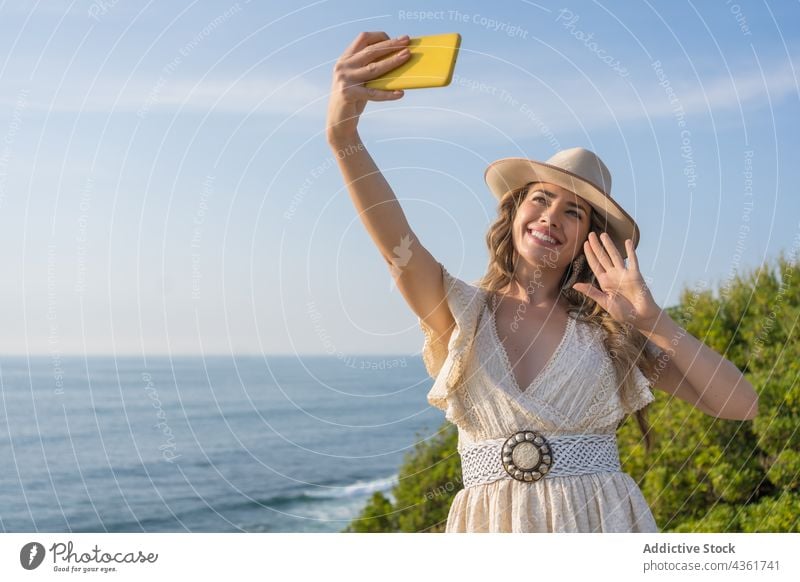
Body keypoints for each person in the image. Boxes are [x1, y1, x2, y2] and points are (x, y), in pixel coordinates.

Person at [325, 31, 759, 533]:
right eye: (540, 199)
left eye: (573, 211)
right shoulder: (458, 313)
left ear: (586, 240)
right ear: (513, 215)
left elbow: (742, 404)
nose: (551, 216)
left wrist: (652, 320)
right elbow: (392, 239)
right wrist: (343, 136)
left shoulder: (613, 334)